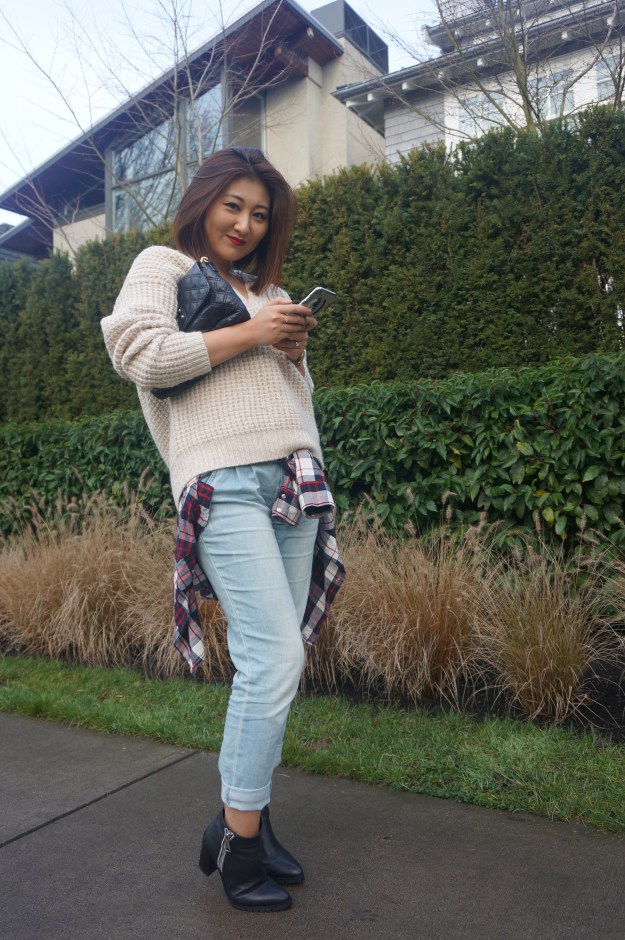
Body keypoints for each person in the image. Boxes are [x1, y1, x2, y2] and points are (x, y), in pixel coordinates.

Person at [101, 147, 344, 913]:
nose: (244, 223)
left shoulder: (267, 293)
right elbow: (141, 355)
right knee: (273, 657)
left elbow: (286, 394)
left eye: (259, 213)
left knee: (278, 659)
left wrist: (291, 349)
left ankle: (250, 823)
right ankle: (237, 842)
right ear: (203, 201)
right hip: (223, 481)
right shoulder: (163, 266)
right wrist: (253, 332)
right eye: (232, 205)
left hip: (294, 479)